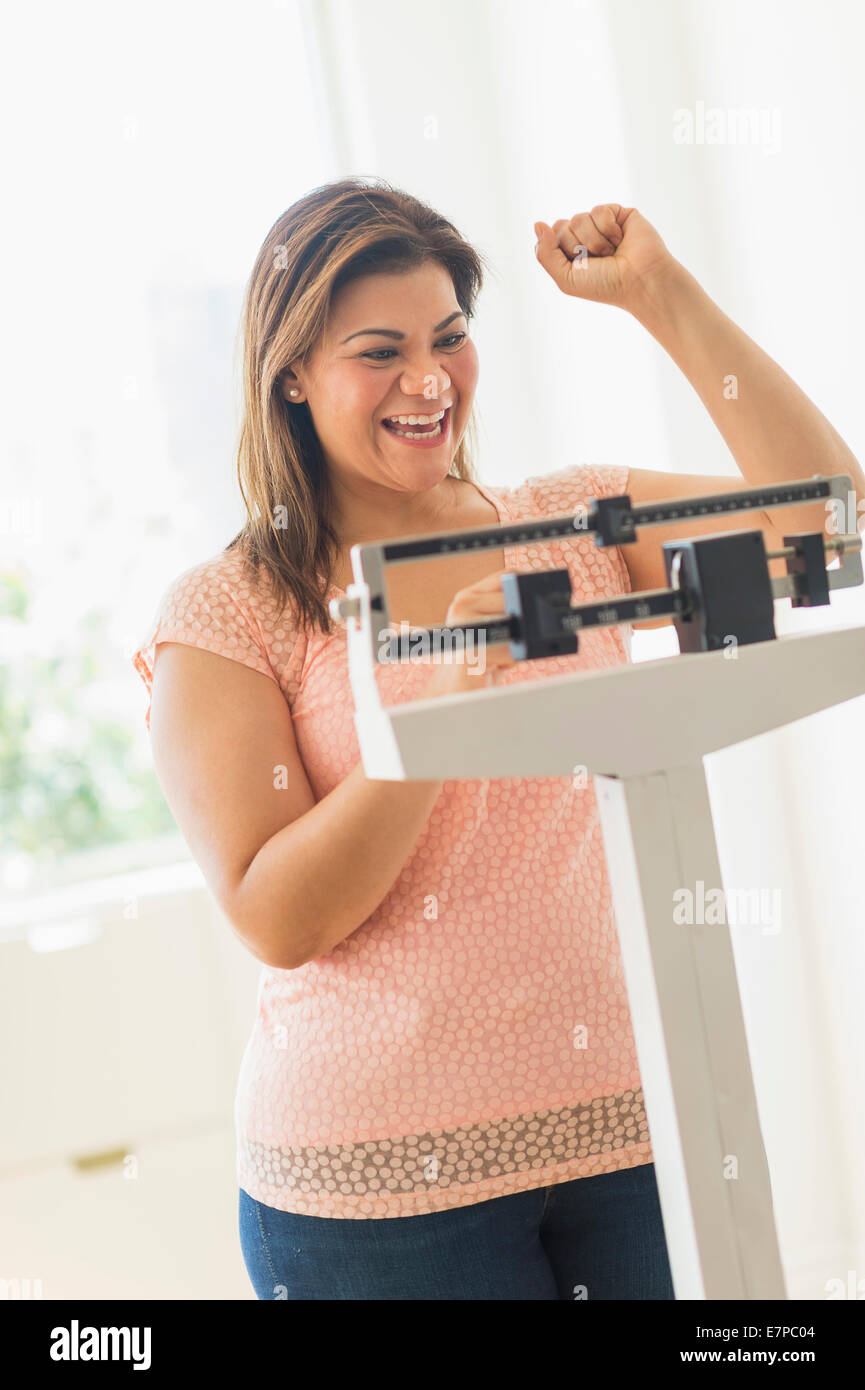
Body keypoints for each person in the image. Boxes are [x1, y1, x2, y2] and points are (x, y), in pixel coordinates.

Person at [131, 176, 681, 1300]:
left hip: (626, 1132)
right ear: (290, 373)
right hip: (379, 1195)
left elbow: (831, 517)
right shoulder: (231, 609)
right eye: (378, 350)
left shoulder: (572, 523)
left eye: (449, 338)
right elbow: (278, 916)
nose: (428, 380)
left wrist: (659, 295)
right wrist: (433, 702)